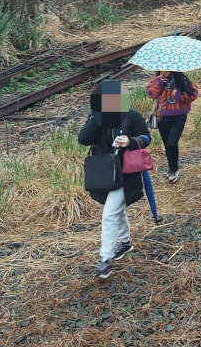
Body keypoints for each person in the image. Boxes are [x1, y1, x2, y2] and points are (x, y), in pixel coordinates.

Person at [78, 79, 151, 280]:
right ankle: (126, 243)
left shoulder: (132, 116)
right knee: (116, 210)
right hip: (104, 172)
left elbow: (146, 137)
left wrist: (130, 141)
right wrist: (95, 118)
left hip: (126, 173)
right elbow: (83, 139)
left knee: (109, 214)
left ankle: (106, 259)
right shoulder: (97, 118)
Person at [145, 71, 199, 183]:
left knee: (172, 143)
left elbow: (193, 95)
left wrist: (178, 94)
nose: (164, 71)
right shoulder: (157, 80)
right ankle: (172, 167)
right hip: (162, 117)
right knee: (167, 145)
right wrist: (160, 83)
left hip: (179, 117)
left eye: (167, 69)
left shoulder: (183, 80)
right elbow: (151, 93)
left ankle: (174, 169)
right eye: (162, 68)